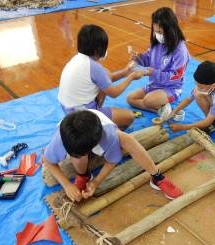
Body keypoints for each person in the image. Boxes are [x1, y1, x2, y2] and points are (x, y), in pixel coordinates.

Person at [43, 109, 183, 202]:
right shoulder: (61, 138)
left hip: (100, 125)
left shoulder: (108, 136)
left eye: (83, 153)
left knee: (128, 140)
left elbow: (113, 160)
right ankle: (83, 175)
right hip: (85, 129)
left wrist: (97, 182)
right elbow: (47, 161)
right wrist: (66, 185)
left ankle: (157, 176)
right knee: (78, 157)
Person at [58, 24, 144, 129]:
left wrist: (127, 71)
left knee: (105, 74)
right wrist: (131, 77)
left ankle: (97, 124)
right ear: (98, 49)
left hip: (68, 110)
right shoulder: (94, 67)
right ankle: (101, 132)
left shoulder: (78, 59)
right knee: (129, 117)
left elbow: (107, 77)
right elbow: (114, 93)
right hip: (82, 115)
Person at [126, 7, 190, 117]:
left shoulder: (180, 50)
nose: (157, 35)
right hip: (154, 85)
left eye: (160, 32)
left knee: (148, 101)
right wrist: (138, 57)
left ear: (170, 30)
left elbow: (176, 77)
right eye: (155, 31)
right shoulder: (156, 43)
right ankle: (161, 110)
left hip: (171, 88)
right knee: (130, 98)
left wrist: (154, 73)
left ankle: (161, 104)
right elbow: (148, 59)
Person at [168, 61, 215, 150]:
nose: (198, 87)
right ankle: (214, 123)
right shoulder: (207, 81)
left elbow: (207, 121)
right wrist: (173, 112)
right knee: (197, 93)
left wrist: (182, 127)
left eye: (201, 87)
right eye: (197, 84)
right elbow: (189, 99)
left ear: (214, 85)